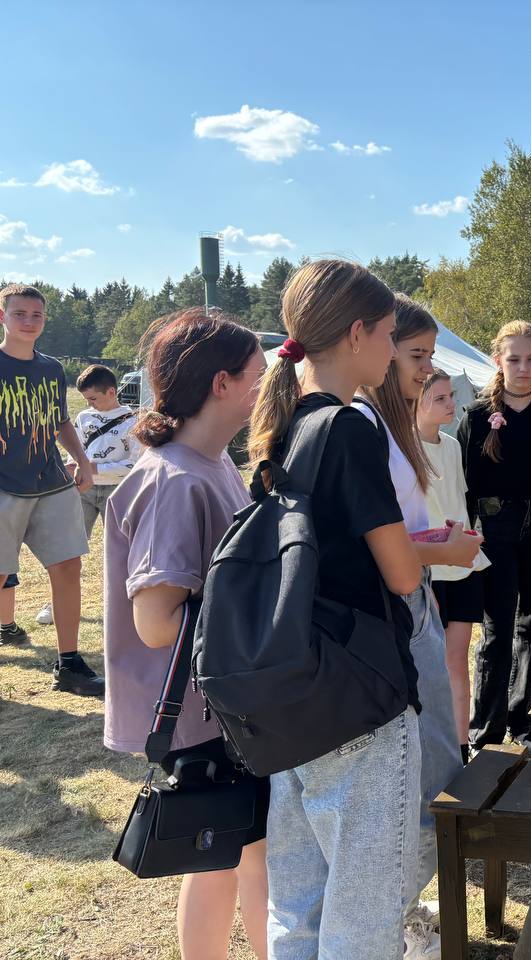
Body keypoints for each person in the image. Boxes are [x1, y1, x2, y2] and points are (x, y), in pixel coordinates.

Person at [247, 260, 426, 960]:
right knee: (365, 919)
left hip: (292, 690)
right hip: (358, 694)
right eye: (387, 334)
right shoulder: (350, 428)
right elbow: (402, 574)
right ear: (357, 335)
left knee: (299, 910)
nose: (391, 349)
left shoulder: (283, 424)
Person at [102, 308, 269, 960]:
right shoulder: (174, 477)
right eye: (257, 376)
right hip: (200, 716)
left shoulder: (212, 462)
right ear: (221, 383)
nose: (264, 389)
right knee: (228, 854)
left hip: (222, 708)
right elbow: (155, 621)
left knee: (235, 854)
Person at [354, 293, 479, 960]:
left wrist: (436, 545)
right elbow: (377, 543)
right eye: (418, 355)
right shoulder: (364, 426)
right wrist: (439, 550)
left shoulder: (390, 423)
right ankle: (401, 913)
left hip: (415, 598)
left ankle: (407, 903)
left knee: (432, 757)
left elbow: (397, 528)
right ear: (375, 346)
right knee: (423, 760)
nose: (429, 369)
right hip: (395, 609)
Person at [458, 321, 531, 750]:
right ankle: (484, 729)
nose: (523, 368)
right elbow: (465, 486)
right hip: (495, 530)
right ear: (498, 361)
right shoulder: (475, 417)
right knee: (497, 628)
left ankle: (520, 717)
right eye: (514, 359)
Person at [0, 283, 101, 694]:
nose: (28, 321)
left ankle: (70, 664)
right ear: (2, 317)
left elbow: (60, 420)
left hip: (51, 481)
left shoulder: (52, 368)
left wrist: (82, 458)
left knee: (68, 567)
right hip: (4, 487)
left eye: (36, 315)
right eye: (19, 313)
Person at [417, 370, 490, 753]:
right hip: (423, 569)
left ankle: (461, 746)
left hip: (462, 566)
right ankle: (429, 749)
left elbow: (459, 504)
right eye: (441, 398)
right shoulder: (402, 447)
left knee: (455, 661)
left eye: (450, 397)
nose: (451, 405)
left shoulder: (452, 445)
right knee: (427, 667)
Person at [35, 363, 141, 626]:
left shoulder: (135, 421)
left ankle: (125, 604)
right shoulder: (83, 418)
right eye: (86, 400)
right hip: (82, 490)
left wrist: (96, 469)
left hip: (117, 493)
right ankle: (57, 601)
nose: (90, 405)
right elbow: (76, 450)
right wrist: (73, 466)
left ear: (112, 392)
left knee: (120, 551)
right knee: (67, 548)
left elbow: (136, 465)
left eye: (93, 398)